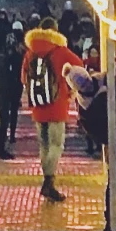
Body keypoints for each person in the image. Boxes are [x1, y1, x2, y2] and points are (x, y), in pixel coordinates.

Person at [21, 20, 84, 202]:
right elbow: (78, 67)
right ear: (56, 31)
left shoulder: (30, 52)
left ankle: (47, 180)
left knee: (44, 145)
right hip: (57, 105)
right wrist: (70, 89)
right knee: (57, 145)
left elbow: (23, 77)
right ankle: (49, 182)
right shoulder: (60, 51)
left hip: (38, 106)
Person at [0, 20, 24, 156]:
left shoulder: (2, 58)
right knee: (12, 110)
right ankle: (9, 135)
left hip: (7, 85)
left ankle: (5, 137)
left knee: (5, 111)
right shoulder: (20, 54)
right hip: (15, 83)